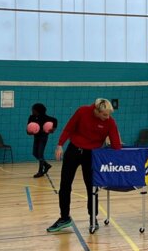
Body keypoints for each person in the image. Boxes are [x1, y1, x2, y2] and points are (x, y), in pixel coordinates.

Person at [48, 98, 121, 233]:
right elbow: (68, 129)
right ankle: (64, 218)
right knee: (65, 185)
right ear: (96, 111)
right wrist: (59, 145)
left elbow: (116, 144)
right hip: (73, 151)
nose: (107, 117)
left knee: (92, 187)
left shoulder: (110, 122)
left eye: (109, 114)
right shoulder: (82, 111)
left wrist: (118, 156)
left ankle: (93, 218)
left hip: (92, 155)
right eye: (105, 114)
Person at [27, 103, 58, 178]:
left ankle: (40, 171)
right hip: (36, 137)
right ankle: (46, 165)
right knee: (35, 153)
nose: (32, 110)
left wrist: (53, 129)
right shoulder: (32, 117)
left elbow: (55, 120)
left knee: (40, 154)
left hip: (43, 137)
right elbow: (28, 130)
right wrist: (29, 132)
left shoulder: (46, 117)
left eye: (33, 109)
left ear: (37, 110)